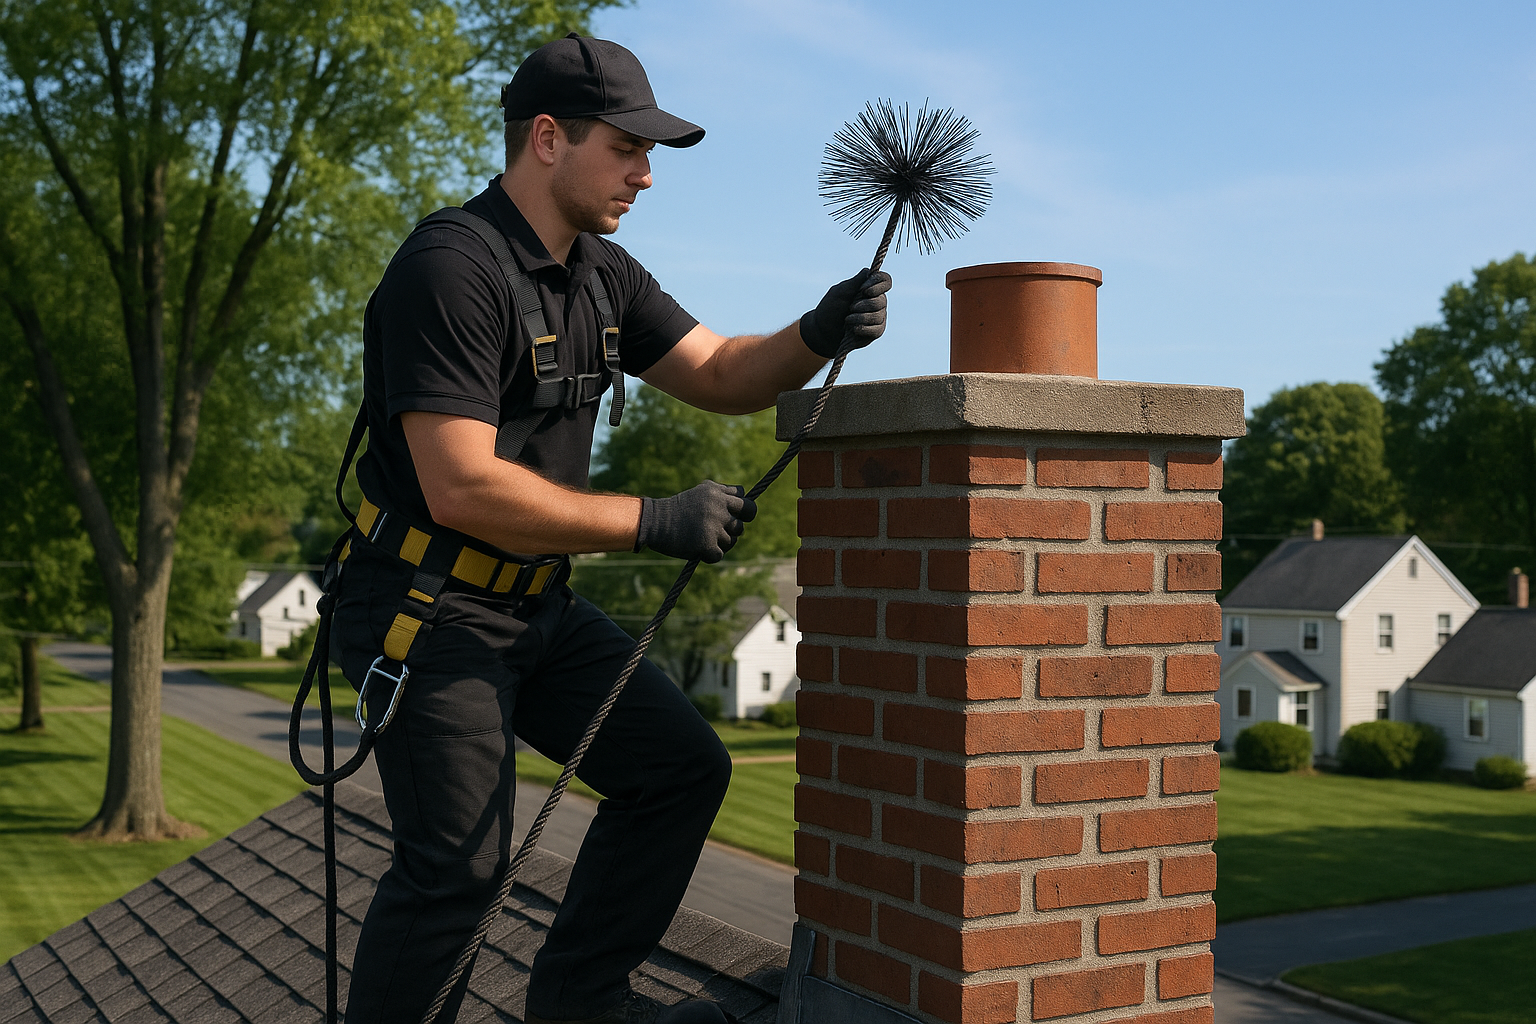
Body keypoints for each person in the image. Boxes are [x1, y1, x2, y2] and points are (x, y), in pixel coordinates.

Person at [332, 33, 890, 1024]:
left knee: (680, 766)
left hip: (535, 607)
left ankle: (578, 1007)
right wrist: (652, 520)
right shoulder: (452, 268)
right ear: (548, 138)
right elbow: (459, 486)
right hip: (425, 609)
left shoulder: (605, 275)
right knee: (458, 868)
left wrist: (817, 329)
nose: (644, 173)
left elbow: (718, 372)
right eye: (627, 148)